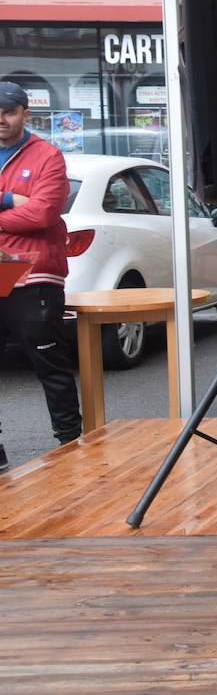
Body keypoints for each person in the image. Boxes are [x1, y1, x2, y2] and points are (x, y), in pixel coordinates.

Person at [0, 80, 82, 469]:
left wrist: (13, 206)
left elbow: (43, 214)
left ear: (24, 113)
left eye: (9, 111)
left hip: (34, 273)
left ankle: (70, 446)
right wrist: (10, 200)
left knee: (50, 365)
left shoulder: (48, 156)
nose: (1, 119)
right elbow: (26, 212)